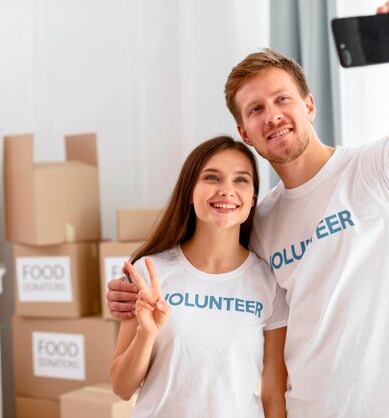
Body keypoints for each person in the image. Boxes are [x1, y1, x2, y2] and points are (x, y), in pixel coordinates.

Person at [108, 0, 389, 416]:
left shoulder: (376, 172)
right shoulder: (260, 222)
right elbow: (212, 277)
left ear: (309, 106)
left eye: (282, 99)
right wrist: (129, 296)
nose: (273, 116)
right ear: (245, 133)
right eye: (256, 109)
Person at [109, 136, 289, 418]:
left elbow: (274, 394)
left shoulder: (269, 282)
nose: (227, 190)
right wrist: (147, 334)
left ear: (253, 199)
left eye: (240, 180)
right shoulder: (148, 272)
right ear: (189, 192)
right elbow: (121, 387)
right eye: (212, 178)